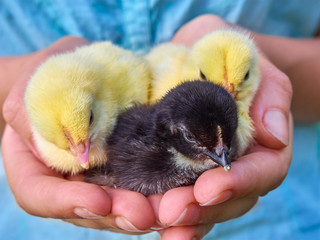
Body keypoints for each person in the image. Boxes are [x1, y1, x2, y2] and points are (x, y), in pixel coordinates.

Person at [0, 1, 319, 239]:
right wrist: (24, 93)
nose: (228, 92)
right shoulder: (131, 121)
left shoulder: (189, 101)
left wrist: (273, 73)